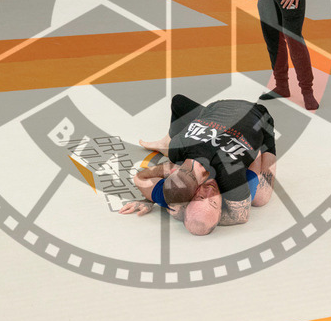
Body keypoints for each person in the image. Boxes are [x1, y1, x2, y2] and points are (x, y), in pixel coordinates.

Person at [119, 95, 277, 236]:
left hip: (236, 112)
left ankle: (164, 144)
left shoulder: (227, 175)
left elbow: (140, 178)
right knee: (259, 197)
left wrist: (156, 199)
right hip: (226, 117)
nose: (209, 191)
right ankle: (255, 145)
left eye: (201, 196)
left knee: (261, 197)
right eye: (213, 201)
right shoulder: (236, 180)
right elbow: (240, 216)